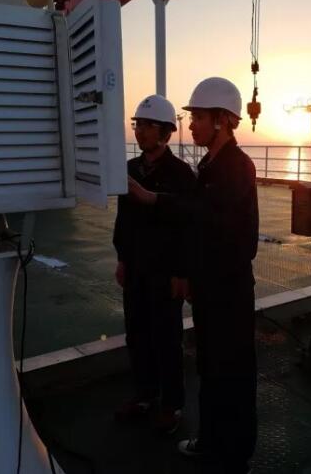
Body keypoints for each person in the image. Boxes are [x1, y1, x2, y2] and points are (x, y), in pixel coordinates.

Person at [128, 78, 259, 474]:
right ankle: (213, 442)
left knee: (231, 373)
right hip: (212, 290)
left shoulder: (236, 167)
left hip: (228, 293)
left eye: (198, 117)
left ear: (221, 120)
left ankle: (231, 453)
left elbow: (206, 216)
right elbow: (200, 219)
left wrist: (153, 199)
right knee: (212, 370)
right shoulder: (211, 166)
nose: (191, 125)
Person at [113, 94, 196, 434]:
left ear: (166, 132)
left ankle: (171, 405)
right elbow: (123, 220)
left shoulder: (181, 174)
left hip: (165, 271)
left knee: (166, 338)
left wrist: (182, 272)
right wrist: (122, 258)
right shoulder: (129, 169)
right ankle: (145, 395)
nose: (140, 131)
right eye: (138, 124)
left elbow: (188, 228)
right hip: (135, 267)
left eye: (148, 125)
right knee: (137, 334)